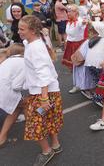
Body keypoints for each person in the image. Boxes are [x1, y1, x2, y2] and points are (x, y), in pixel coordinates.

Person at [18, 15, 63, 166]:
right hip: (48, 91)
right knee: (50, 119)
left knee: (34, 124)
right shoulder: (33, 42)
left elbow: (43, 73)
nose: (19, 32)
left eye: (22, 29)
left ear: (32, 31)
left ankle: (46, 151)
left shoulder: (35, 47)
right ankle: (55, 145)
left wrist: (44, 98)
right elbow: (25, 42)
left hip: (42, 93)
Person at [0, 44, 25, 148]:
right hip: (6, 91)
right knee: (23, 105)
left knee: (17, 107)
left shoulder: (6, 61)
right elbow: (16, 86)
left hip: (3, 90)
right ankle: (36, 131)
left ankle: (2, 137)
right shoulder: (23, 62)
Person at [62, 4, 87, 73]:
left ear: (76, 12)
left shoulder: (79, 21)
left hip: (77, 45)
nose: (68, 13)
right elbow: (68, 33)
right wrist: (66, 41)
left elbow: (82, 24)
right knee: (71, 65)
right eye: (68, 11)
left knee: (78, 64)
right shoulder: (69, 21)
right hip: (69, 44)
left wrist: (83, 23)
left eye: (70, 11)